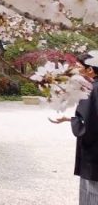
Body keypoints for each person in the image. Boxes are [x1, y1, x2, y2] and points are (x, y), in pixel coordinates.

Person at [50, 51, 98, 204]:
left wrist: (73, 121)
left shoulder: (91, 90)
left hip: (95, 154)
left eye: (79, 67)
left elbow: (86, 124)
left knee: (92, 192)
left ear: (90, 70)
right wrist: (69, 119)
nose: (77, 70)